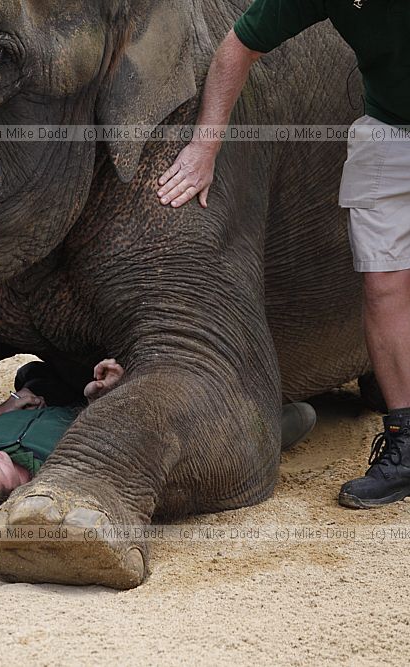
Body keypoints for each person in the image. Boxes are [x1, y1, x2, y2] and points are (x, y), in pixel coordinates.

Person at [155, 1, 410, 509]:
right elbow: (237, 45)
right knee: (383, 285)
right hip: (390, 133)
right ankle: (405, 443)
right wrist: (205, 147)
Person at [0, 360, 318, 544]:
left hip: (39, 395)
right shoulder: (68, 474)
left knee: (35, 370)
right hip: (95, 410)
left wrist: (10, 404)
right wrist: (105, 396)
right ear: (11, 499)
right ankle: (266, 431)